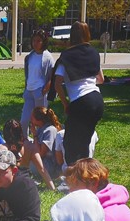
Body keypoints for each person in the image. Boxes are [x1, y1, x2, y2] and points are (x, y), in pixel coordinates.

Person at [54, 21, 104, 166]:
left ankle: (76, 175)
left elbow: (57, 83)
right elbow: (100, 79)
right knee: (84, 142)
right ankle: (88, 172)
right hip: (97, 100)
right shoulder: (93, 53)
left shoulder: (66, 56)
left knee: (70, 145)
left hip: (80, 101)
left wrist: (65, 103)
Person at [21, 29, 55, 138]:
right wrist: (26, 87)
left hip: (39, 91)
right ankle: (25, 141)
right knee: (24, 120)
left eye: (38, 41)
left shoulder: (47, 57)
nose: (35, 43)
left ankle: (41, 141)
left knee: (41, 121)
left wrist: (44, 90)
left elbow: (52, 76)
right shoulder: (29, 56)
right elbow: (28, 74)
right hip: (29, 91)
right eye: (34, 40)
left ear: (43, 42)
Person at [23, 106, 64, 190]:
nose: (30, 119)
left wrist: (34, 135)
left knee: (22, 159)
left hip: (49, 167)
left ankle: (24, 176)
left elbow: (41, 153)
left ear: (39, 120)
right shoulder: (41, 128)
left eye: (32, 117)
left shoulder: (50, 130)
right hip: (43, 162)